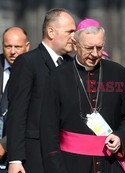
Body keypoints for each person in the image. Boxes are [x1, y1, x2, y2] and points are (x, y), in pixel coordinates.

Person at [40, 18, 125, 173]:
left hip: (109, 164)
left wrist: (120, 137)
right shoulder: (57, 77)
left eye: (99, 48)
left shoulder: (117, 73)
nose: (95, 54)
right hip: (71, 165)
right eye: (89, 48)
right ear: (75, 44)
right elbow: (48, 131)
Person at [6, 8, 75, 173]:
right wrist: (15, 160)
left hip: (64, 155)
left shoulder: (70, 65)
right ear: (51, 32)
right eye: (70, 31)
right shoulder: (28, 62)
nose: (74, 37)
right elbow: (17, 113)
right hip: (34, 156)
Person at [0, 27, 30, 172]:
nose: (12, 52)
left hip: (19, 153)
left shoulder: (34, 70)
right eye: (8, 46)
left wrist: (4, 145)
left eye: (17, 47)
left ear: (27, 46)